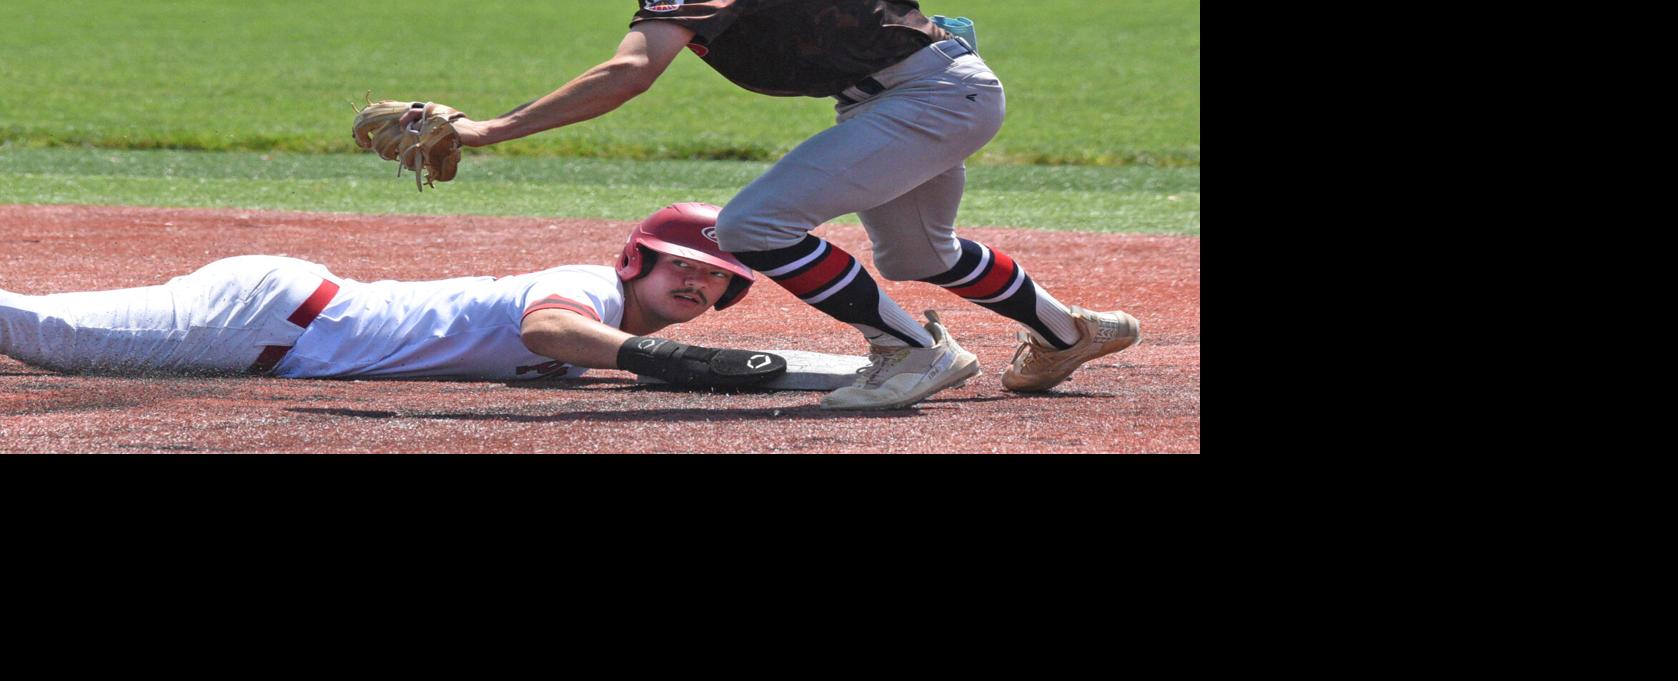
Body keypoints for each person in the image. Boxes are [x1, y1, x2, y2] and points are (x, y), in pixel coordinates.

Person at [404, 0, 1140, 409]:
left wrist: (490, 128)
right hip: (932, 89)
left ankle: (912, 351)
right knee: (920, 254)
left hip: (929, 95)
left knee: (752, 226)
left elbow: (630, 72)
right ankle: (1067, 333)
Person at [0, 203, 785, 388]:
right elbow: (549, 330)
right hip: (263, 321)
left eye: (718, 277)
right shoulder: (581, 289)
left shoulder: (610, 320)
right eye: (682, 265)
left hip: (282, 311)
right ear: (632, 261)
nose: (697, 280)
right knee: (46, 336)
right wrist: (667, 360)